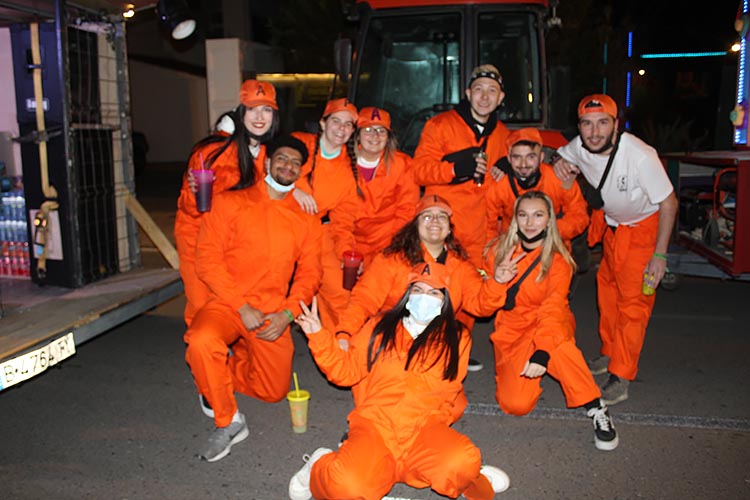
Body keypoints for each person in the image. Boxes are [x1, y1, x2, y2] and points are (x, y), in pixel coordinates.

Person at [289, 263, 510, 500]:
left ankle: (460, 475)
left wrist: (442, 438)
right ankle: (319, 464)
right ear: (407, 295)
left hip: (424, 428)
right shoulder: (379, 326)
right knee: (346, 487)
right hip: (377, 426)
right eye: (418, 290)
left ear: (445, 300)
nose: (424, 297)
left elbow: (450, 390)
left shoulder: (457, 337)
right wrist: (318, 336)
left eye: (433, 292)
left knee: (462, 462)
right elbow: (346, 372)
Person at [183, 136, 322, 462]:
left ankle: (218, 369)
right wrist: (240, 306)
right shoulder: (229, 202)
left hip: (272, 311)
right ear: (267, 162)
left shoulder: (306, 218)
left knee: (273, 392)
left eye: (295, 163)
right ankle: (228, 421)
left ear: (300, 171)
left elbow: (310, 275)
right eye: (282, 158)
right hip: (228, 304)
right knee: (201, 340)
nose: (288, 166)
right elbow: (206, 261)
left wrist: (287, 315)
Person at [552, 94, 678, 405]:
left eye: (602, 123)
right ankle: (610, 353)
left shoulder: (639, 155)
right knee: (607, 294)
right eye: (587, 124)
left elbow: (669, 203)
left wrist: (659, 256)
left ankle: (621, 375)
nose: (594, 132)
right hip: (612, 229)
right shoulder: (580, 146)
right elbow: (556, 153)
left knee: (633, 306)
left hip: (642, 231)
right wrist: (559, 163)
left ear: (616, 125)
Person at [482, 191, 619, 451]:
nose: (529, 222)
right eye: (523, 215)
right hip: (512, 328)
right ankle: (532, 367)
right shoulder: (495, 251)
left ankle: (595, 405)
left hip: (548, 321)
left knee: (558, 347)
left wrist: (542, 351)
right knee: (515, 405)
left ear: (549, 220)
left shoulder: (559, 260)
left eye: (538, 215)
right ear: (515, 219)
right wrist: (496, 282)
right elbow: (482, 304)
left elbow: (553, 308)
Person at [335, 195, 507, 371]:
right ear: (415, 226)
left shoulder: (460, 266)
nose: (435, 221)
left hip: (436, 345)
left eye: (442, 216)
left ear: (449, 229)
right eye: (427, 216)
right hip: (393, 340)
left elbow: (480, 305)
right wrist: (345, 332)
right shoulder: (392, 260)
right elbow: (364, 300)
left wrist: (498, 282)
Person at [175, 79, 280, 327]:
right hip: (199, 240)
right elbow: (190, 208)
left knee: (238, 309)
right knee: (204, 311)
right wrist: (194, 194)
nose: (259, 117)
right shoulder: (213, 151)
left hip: (236, 243)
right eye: (252, 109)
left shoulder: (266, 154)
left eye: (266, 110)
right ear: (241, 112)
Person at [412, 64, 511, 268]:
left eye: (492, 91)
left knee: (478, 284)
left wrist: (508, 163)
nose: (485, 97)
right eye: (479, 89)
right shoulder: (440, 125)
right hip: (444, 230)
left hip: (481, 234)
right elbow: (418, 172)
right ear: (468, 93)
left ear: (500, 98)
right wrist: (454, 169)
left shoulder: (504, 135)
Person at [292, 98, 361, 329]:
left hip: (317, 233)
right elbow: (267, 168)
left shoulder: (348, 172)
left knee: (341, 292)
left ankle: (339, 344)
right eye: (336, 121)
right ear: (323, 123)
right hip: (280, 227)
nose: (341, 128)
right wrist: (292, 189)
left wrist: (346, 255)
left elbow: (343, 222)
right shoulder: (299, 143)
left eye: (348, 124)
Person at [484, 127, 588, 247]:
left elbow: (579, 216)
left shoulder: (560, 179)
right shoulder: (499, 185)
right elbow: (488, 227)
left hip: (552, 243)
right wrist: (494, 254)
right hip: (514, 246)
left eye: (531, 157)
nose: (523, 164)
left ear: (541, 158)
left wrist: (547, 231)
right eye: (517, 157)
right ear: (509, 159)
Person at [351, 106, 420, 267]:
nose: (375, 136)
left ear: (388, 137)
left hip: (387, 241)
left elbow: (407, 210)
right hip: (349, 242)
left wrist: (389, 248)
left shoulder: (403, 164)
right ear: (357, 135)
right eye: (368, 130)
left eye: (381, 131)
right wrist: (346, 251)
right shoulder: (343, 162)